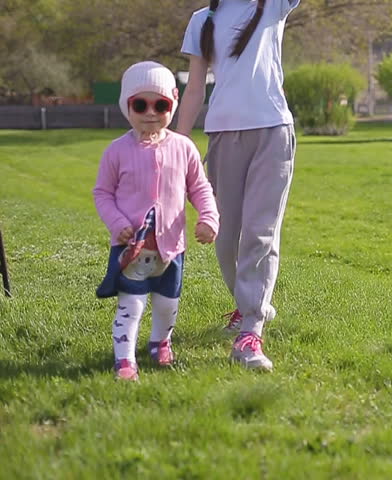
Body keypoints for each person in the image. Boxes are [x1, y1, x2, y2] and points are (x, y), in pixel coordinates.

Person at [177, 0, 300, 371]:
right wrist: (177, 146)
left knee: (260, 234)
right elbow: (195, 89)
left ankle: (250, 330)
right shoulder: (203, 20)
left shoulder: (273, 5)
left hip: (272, 132)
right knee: (225, 235)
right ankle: (250, 302)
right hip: (222, 136)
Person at [94, 61, 219, 381]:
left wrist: (209, 217)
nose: (151, 112)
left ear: (172, 105)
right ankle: (124, 359)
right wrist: (116, 222)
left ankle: (160, 341)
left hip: (171, 247)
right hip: (131, 247)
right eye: (140, 104)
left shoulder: (184, 147)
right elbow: (103, 193)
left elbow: (200, 188)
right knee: (131, 305)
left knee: (166, 304)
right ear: (127, 107)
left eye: (160, 104)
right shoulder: (117, 151)